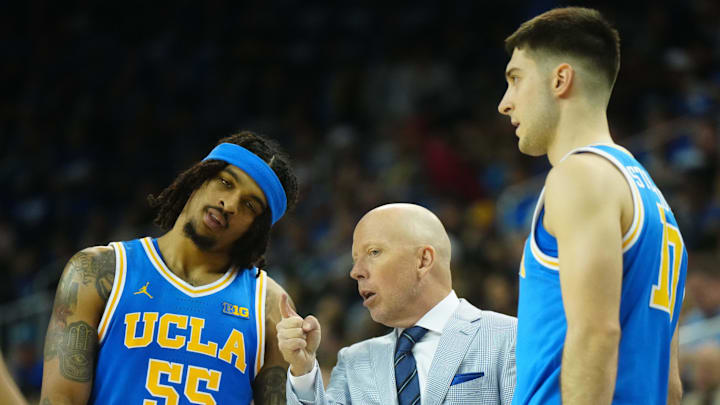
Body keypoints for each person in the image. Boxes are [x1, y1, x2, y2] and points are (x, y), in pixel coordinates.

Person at [497, 7, 687, 405]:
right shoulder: (653, 198)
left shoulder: (579, 177)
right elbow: (669, 386)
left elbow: (596, 333)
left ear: (560, 79)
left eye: (515, 80)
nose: (505, 103)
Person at [40, 131, 299, 404]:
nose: (230, 204)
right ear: (199, 177)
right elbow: (61, 398)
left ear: (257, 228)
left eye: (249, 205)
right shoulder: (100, 271)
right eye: (225, 182)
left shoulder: (270, 307)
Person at [279, 203, 517, 405]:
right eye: (355, 260)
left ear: (423, 260)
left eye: (373, 252)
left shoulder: (508, 337)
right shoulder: (354, 361)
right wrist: (303, 369)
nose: (355, 272)